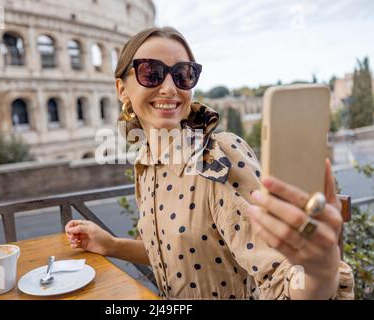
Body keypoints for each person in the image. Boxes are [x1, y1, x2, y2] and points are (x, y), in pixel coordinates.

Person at [65, 26, 354, 300]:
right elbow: (171, 252)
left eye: (183, 74)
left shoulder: (216, 157)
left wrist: (318, 272)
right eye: (151, 73)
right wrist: (110, 245)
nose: (169, 87)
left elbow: (282, 276)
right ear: (122, 90)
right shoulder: (146, 163)